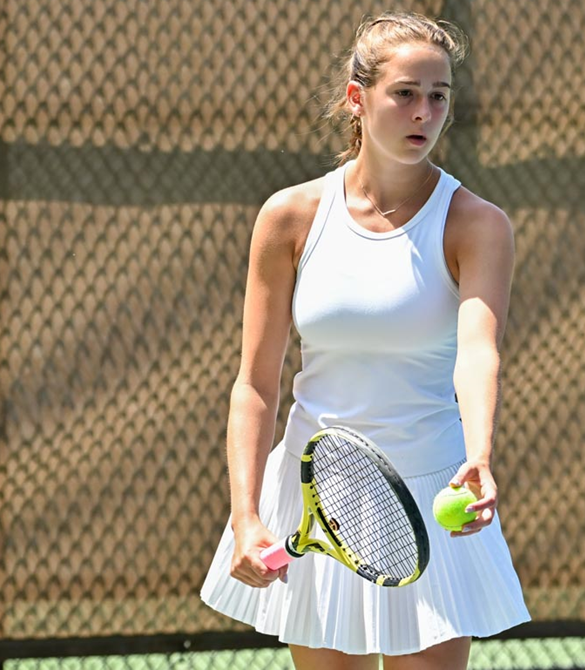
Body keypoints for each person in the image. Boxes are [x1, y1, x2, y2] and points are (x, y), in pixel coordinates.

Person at [201, 11, 530, 670]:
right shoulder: (289, 218)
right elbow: (256, 383)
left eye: (438, 96)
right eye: (404, 93)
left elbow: (477, 350)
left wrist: (480, 453)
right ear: (358, 99)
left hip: (430, 493)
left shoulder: (476, 225)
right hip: (312, 496)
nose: (423, 112)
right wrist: (245, 514)